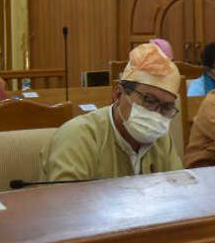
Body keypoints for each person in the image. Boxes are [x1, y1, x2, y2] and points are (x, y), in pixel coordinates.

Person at [40, 43, 182, 180]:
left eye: (167, 107)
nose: (157, 114)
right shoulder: (79, 137)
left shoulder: (161, 139)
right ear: (118, 94)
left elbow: (179, 190)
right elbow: (68, 196)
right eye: (149, 100)